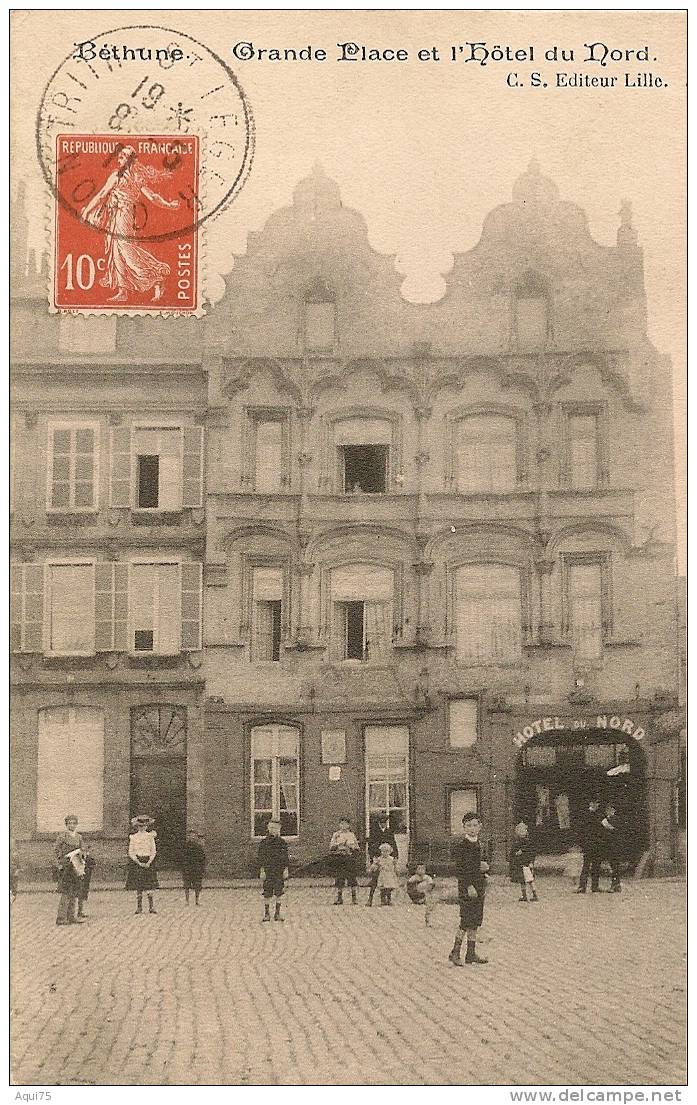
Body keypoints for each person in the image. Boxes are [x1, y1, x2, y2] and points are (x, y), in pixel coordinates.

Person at [80, 147, 180, 304]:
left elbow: (152, 197)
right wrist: (87, 212)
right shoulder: (115, 176)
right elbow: (101, 195)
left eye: (124, 155)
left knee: (126, 251)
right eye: (120, 155)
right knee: (115, 251)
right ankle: (123, 291)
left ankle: (156, 278)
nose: (120, 157)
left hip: (125, 216)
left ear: (131, 160)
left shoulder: (136, 178)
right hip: (114, 217)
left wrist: (169, 205)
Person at [449, 812, 489, 966]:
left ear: (480, 826)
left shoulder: (479, 844)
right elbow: (461, 869)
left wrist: (485, 871)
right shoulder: (462, 846)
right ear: (464, 827)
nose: (472, 829)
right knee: (465, 920)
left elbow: (479, 865)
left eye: (475, 825)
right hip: (468, 887)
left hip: (479, 886)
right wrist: (469, 885)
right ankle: (455, 952)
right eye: (469, 825)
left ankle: (471, 954)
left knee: (476, 920)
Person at [54, 814, 84, 926]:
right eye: (69, 823)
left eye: (74, 823)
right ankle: (61, 917)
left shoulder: (79, 837)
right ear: (66, 825)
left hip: (76, 866)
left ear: (77, 824)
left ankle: (71, 916)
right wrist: (60, 863)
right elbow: (56, 851)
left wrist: (81, 860)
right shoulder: (62, 837)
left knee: (74, 891)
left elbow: (82, 850)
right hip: (66, 866)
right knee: (66, 891)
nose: (72, 825)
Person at [126, 815, 159, 914]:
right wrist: (138, 861)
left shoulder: (150, 837)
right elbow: (131, 851)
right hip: (138, 861)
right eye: (140, 826)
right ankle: (139, 907)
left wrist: (149, 861)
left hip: (148, 860)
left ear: (147, 826)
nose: (142, 828)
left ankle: (151, 907)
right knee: (139, 885)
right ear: (137, 826)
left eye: (144, 826)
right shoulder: (134, 837)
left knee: (149, 885)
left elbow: (153, 850)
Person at [258, 818, 289, 922]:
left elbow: (285, 858)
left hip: (279, 870)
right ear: (268, 828)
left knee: (279, 892)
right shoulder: (263, 843)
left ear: (279, 829)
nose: (273, 830)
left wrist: (285, 870)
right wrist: (262, 871)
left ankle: (277, 913)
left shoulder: (282, 843)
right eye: (271, 827)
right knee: (267, 892)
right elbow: (260, 858)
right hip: (268, 870)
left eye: (275, 828)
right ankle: (266, 914)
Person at [366, 813, 397, 906]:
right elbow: (371, 846)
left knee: (388, 880)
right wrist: (373, 857)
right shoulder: (374, 832)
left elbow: (393, 844)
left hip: (387, 859)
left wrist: (395, 856)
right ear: (379, 823)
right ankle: (370, 899)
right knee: (375, 879)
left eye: (385, 822)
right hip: (378, 858)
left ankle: (387, 899)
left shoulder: (389, 831)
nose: (383, 824)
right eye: (381, 822)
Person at [329, 817, 360, 905]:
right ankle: (339, 898)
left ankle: (354, 898)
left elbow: (357, 848)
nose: (343, 826)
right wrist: (338, 845)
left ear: (349, 825)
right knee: (339, 877)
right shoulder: (336, 835)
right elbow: (331, 847)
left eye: (345, 824)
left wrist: (351, 847)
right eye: (342, 824)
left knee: (352, 877)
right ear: (339, 825)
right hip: (339, 858)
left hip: (349, 858)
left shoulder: (351, 835)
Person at [577, 798, 603, 893]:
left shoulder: (599, 815)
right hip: (588, 844)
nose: (597, 805)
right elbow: (582, 831)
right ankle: (582, 886)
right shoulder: (585, 815)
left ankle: (595, 886)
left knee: (596, 865)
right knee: (586, 865)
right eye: (596, 803)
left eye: (598, 803)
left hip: (597, 844)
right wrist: (582, 844)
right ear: (591, 803)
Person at [510, 821, 538, 903]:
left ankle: (534, 894)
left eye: (523, 831)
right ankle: (524, 895)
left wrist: (531, 862)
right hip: (520, 864)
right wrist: (515, 853)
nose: (522, 833)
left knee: (530, 880)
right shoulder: (516, 842)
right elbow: (512, 853)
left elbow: (532, 852)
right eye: (520, 831)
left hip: (526, 864)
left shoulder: (528, 842)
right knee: (522, 881)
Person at [601, 803, 622, 892]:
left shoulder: (615, 819)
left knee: (615, 866)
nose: (608, 812)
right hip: (610, 845)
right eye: (607, 810)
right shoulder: (607, 819)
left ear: (613, 811)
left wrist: (608, 826)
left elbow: (615, 830)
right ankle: (616, 885)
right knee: (613, 866)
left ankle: (615, 885)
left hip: (614, 846)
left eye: (610, 810)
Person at [183, 831, 207, 906]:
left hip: (197, 869)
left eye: (194, 836)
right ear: (188, 837)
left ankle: (197, 900)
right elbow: (182, 858)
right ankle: (187, 901)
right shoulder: (185, 847)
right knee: (187, 885)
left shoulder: (199, 847)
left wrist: (202, 868)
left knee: (197, 885)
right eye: (191, 836)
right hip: (187, 868)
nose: (192, 838)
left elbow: (202, 858)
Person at [77, 843, 96, 919]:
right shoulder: (78, 857)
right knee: (79, 894)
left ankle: (80, 911)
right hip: (79, 877)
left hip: (86, 878)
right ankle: (78, 911)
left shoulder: (89, 857)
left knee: (83, 894)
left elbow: (93, 864)